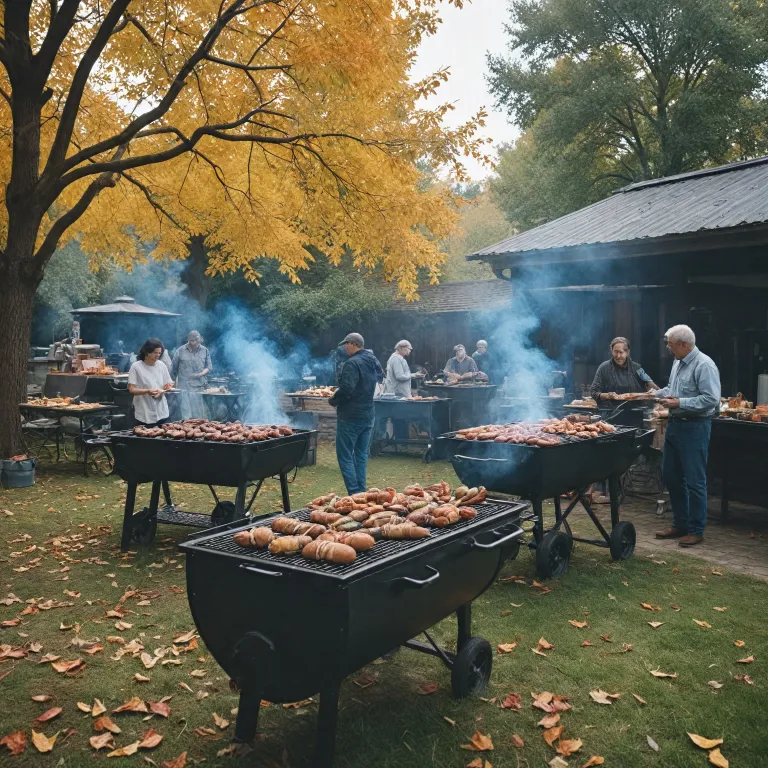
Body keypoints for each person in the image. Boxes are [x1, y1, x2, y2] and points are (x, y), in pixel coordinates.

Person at [654, 325, 721, 547]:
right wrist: (651, 394)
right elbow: (673, 389)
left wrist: (680, 403)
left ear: (683, 344)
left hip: (695, 427)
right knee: (671, 476)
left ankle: (696, 530)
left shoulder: (704, 364)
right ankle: (679, 524)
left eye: (670, 344)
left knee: (695, 481)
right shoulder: (677, 362)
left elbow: (711, 399)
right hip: (675, 425)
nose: (668, 348)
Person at [329, 332, 384, 494]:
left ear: (354, 344)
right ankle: (361, 492)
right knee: (360, 455)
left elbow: (347, 389)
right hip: (368, 415)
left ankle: (354, 493)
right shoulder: (373, 360)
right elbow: (380, 377)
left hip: (351, 417)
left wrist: (333, 400)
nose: (345, 347)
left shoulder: (352, 363)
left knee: (345, 456)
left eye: (347, 343)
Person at [590, 337, 658, 401]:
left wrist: (655, 390)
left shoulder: (637, 368)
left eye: (621, 352)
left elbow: (650, 382)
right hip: (611, 411)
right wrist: (608, 395)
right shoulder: (604, 368)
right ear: (611, 351)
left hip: (635, 409)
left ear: (627, 352)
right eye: (615, 352)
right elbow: (594, 392)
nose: (618, 356)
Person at [128, 339, 174, 426]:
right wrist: (147, 391)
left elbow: (168, 385)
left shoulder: (162, 365)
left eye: (159, 353)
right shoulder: (136, 367)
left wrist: (163, 391)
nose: (158, 355)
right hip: (143, 411)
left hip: (161, 411)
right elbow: (131, 389)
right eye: (155, 353)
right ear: (147, 352)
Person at [171, 331, 212, 418]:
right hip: (184, 387)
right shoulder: (180, 351)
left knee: (198, 415)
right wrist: (173, 386)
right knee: (185, 414)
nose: (195, 343)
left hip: (198, 387)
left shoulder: (205, 350)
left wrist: (201, 374)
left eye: (197, 341)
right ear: (189, 340)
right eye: (193, 341)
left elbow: (208, 367)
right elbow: (173, 369)